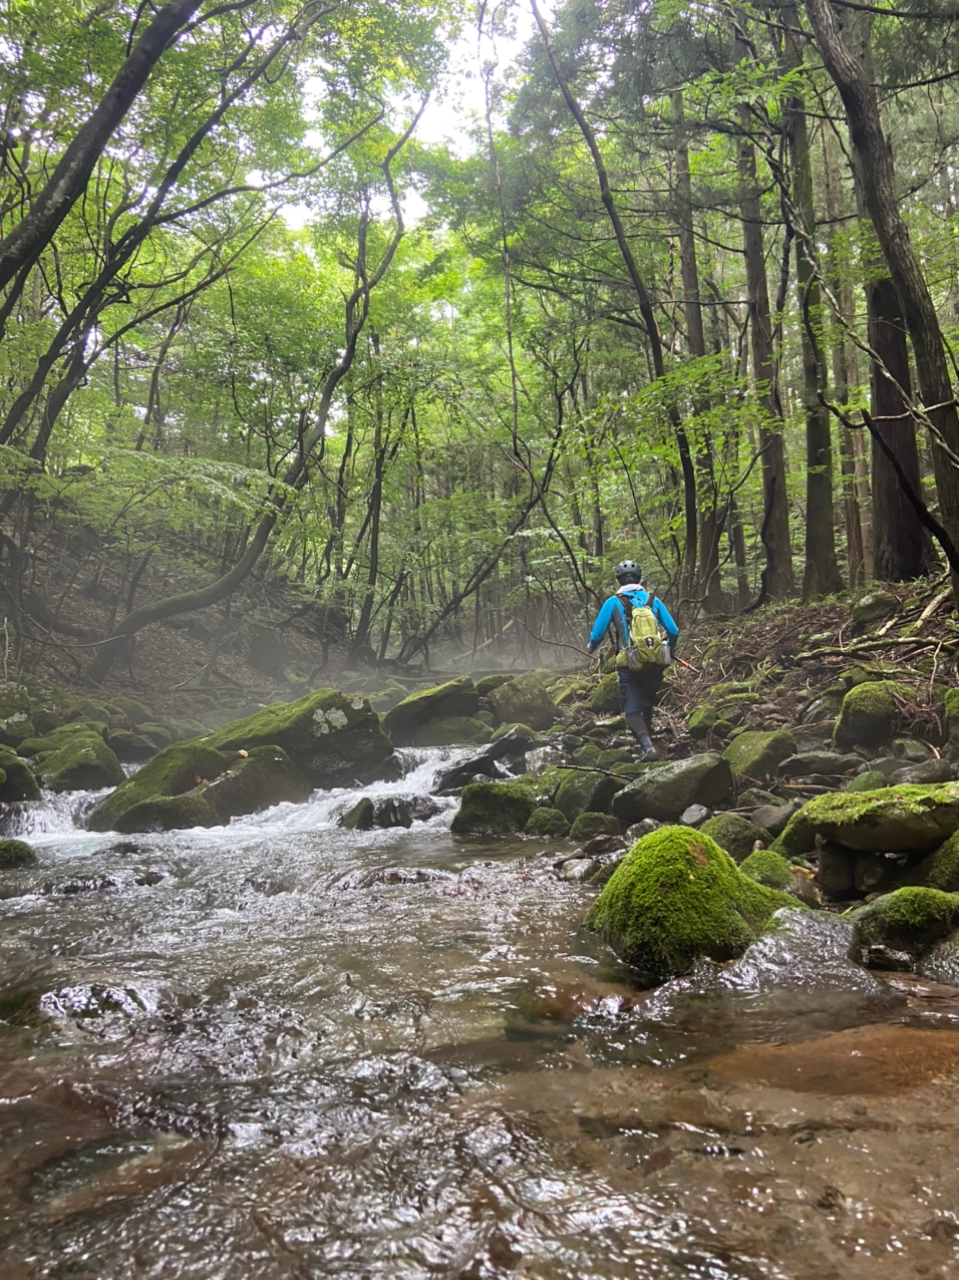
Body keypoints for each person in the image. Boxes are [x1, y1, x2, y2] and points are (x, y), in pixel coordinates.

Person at [586, 559, 679, 761]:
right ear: (640, 580)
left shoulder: (612, 603)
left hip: (629, 662)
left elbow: (598, 633)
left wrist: (591, 647)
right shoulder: (653, 600)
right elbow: (673, 630)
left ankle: (648, 748)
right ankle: (649, 727)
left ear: (617, 582)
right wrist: (669, 648)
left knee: (631, 710)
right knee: (647, 694)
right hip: (654, 660)